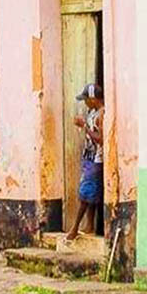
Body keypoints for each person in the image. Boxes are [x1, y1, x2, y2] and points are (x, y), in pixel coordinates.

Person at [66, 83, 104, 241]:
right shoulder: (92, 112)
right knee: (91, 192)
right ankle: (89, 225)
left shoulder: (102, 114)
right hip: (89, 157)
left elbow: (101, 139)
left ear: (94, 99)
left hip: (97, 158)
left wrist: (84, 127)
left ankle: (75, 228)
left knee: (85, 193)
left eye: (87, 99)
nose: (85, 103)